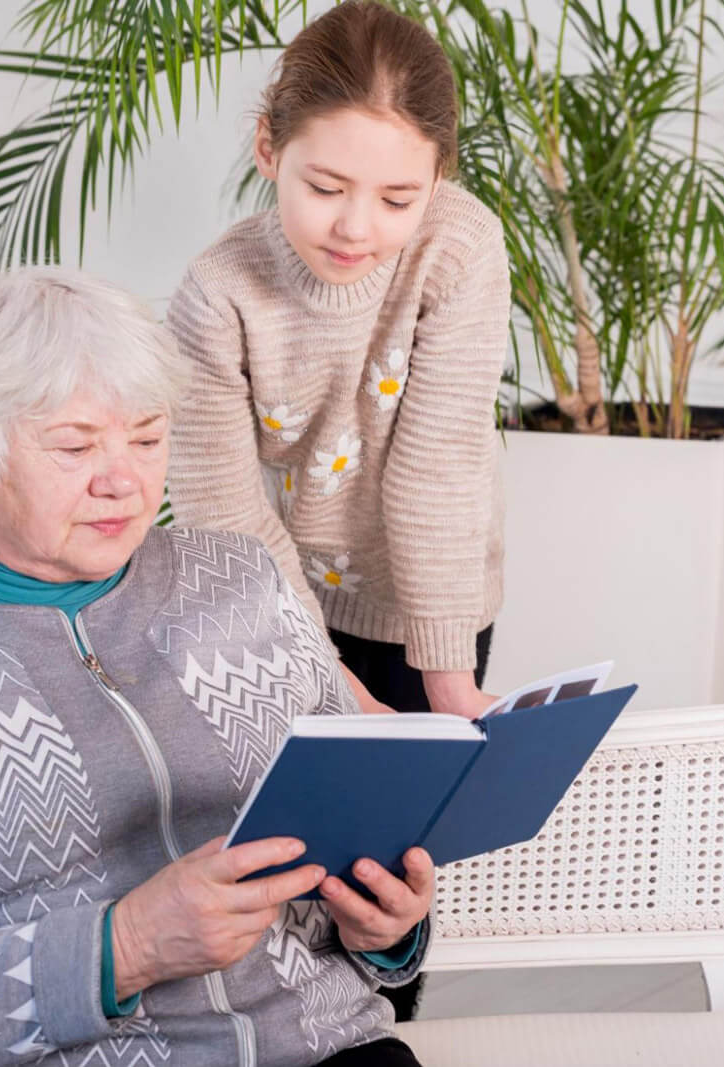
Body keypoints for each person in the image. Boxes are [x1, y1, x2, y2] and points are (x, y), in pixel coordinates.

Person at [0, 268, 431, 1067]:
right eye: (74, 445)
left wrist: (388, 925)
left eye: (148, 438)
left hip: (335, 1049)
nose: (123, 480)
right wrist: (123, 946)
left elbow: (364, 833)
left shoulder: (244, 579)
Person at [166, 0, 509, 729]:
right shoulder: (216, 295)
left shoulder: (459, 248)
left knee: (425, 800)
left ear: (438, 178)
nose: (355, 227)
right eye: (325, 189)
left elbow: (440, 468)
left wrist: (449, 684)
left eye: (397, 199)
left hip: (438, 611)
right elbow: (225, 519)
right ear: (268, 148)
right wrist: (336, 688)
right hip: (283, 601)